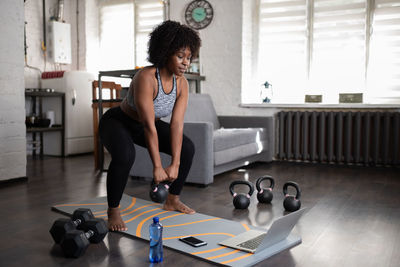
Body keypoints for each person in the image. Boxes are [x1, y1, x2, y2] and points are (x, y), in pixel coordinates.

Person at [98, 20, 201, 231]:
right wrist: (157, 166)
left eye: (188, 58)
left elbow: (177, 125)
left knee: (188, 147)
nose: (185, 63)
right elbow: (148, 126)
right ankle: (113, 210)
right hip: (118, 122)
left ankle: (172, 199)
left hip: (147, 125)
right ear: (165, 52)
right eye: (180, 56)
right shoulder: (146, 77)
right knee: (125, 156)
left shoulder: (182, 84)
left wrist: (175, 164)